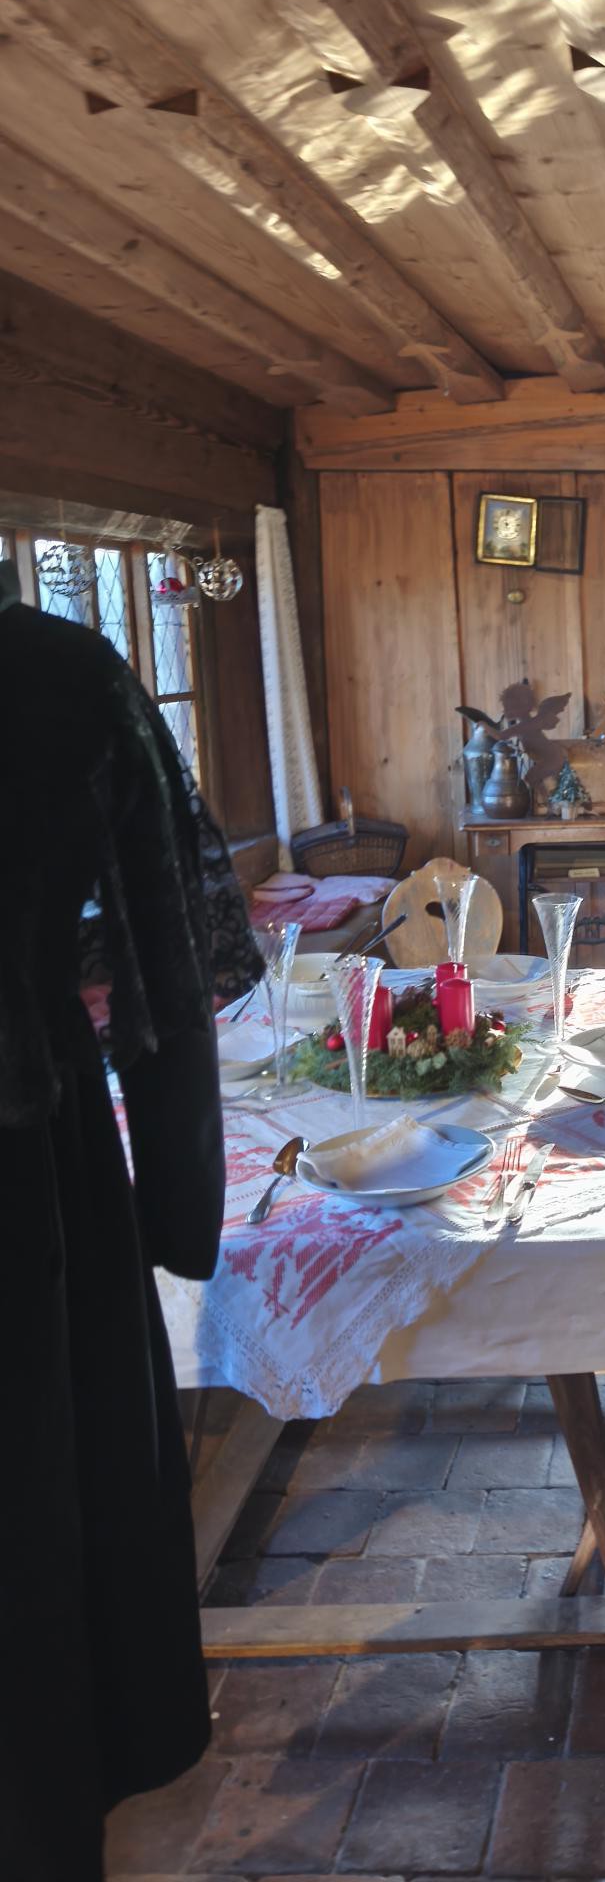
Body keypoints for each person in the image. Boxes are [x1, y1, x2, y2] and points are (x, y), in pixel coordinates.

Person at [0, 559, 261, 1879]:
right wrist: (178, 1205)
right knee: (45, 1491)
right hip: (33, 1159)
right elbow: (175, 951)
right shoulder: (65, 679)